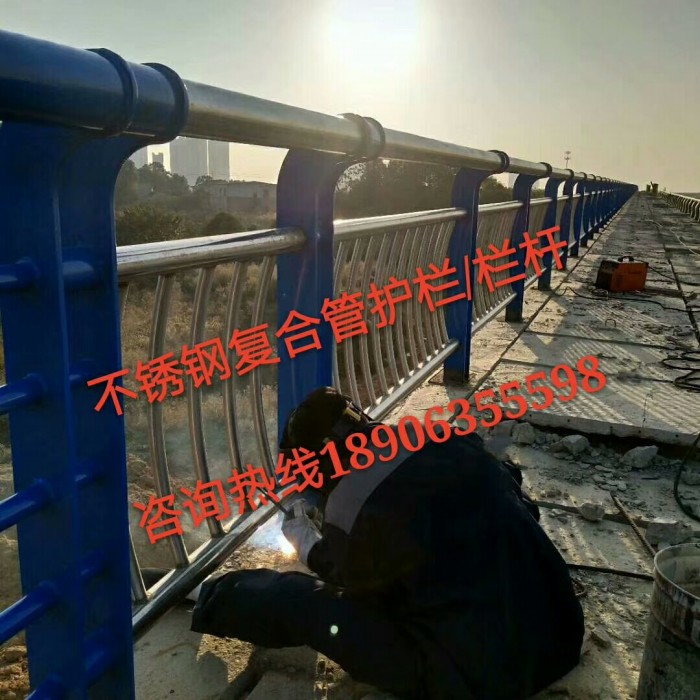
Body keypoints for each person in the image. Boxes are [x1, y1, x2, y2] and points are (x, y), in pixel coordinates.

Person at [188, 386, 585, 700]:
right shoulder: (447, 437)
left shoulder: (351, 506)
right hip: (562, 632)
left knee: (301, 600)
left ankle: (210, 597)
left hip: (483, 678)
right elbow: (517, 498)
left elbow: (353, 588)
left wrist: (308, 541)